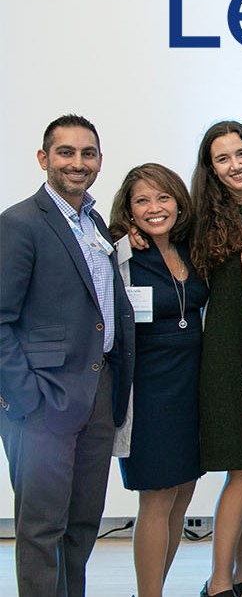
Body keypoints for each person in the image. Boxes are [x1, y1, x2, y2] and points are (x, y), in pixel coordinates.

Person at [1, 115, 136, 597]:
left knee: (82, 525)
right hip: (43, 399)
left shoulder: (94, 222)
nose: (78, 163)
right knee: (41, 531)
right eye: (66, 153)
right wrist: (25, 397)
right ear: (44, 159)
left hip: (97, 393)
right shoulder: (19, 224)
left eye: (88, 153)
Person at [109, 164, 210, 597]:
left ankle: (153, 589)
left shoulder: (192, 248)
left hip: (192, 388)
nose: (155, 208)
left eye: (163, 197)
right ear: (129, 210)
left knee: (183, 492)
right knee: (156, 497)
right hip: (148, 392)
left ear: (178, 201)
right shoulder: (123, 254)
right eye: (142, 201)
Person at [191, 120, 242, 597]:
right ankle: (219, 583)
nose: (235, 164)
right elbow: (148, 227)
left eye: (241, 153)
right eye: (223, 158)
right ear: (211, 168)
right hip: (227, 353)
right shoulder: (202, 216)